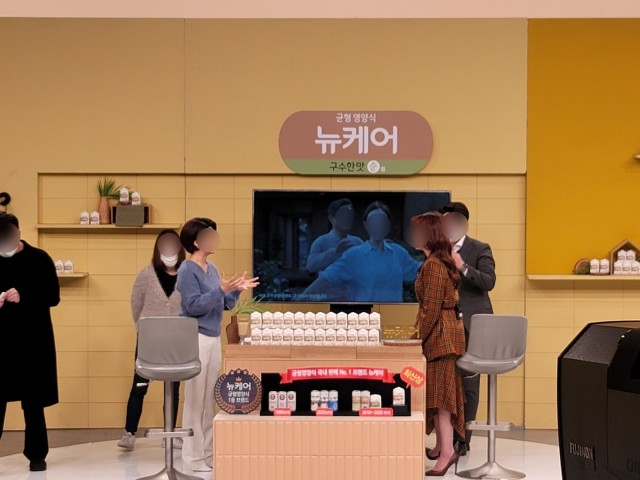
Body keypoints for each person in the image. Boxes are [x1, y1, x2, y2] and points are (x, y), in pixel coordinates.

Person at [177, 217, 259, 473]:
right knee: (195, 400)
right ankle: (192, 458)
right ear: (195, 241)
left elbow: (223, 304)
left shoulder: (211, 268)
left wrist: (236, 290)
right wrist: (221, 291)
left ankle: (209, 454)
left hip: (212, 337)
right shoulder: (187, 270)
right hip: (195, 337)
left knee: (210, 399)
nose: (214, 240)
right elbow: (193, 306)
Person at [0, 212, 60, 472]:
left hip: (33, 342)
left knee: (33, 403)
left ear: (19, 234)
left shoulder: (39, 258)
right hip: (1, 344)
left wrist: (25, 295)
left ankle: (37, 456)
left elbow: (53, 296)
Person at [118, 230, 186, 451]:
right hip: (149, 340)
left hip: (176, 340)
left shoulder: (186, 274)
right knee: (139, 385)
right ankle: (129, 433)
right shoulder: (146, 274)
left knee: (173, 389)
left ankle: (170, 434)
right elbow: (135, 304)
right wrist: (144, 328)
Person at [409, 212, 465, 477]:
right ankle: (442, 446)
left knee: (441, 399)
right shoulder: (436, 261)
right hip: (445, 335)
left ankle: (446, 454)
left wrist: (415, 340)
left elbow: (430, 310)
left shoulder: (433, 265)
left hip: (441, 338)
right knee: (439, 394)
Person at [441, 201, 496, 456]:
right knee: (445, 382)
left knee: (469, 385)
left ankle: (462, 440)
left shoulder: (480, 248)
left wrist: (462, 265)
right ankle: (444, 441)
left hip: (472, 325)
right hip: (445, 325)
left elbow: (488, 281)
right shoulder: (436, 250)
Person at [303, 201, 421, 303]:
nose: (377, 225)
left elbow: (419, 270)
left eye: (382, 221)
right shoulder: (353, 255)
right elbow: (323, 280)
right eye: (373, 221)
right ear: (366, 225)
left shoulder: (398, 253)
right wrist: (300, 302)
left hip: (394, 317)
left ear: (388, 224)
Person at [306, 198, 363, 273]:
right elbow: (310, 267)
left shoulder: (358, 242)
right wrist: (334, 251)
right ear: (331, 218)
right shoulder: (321, 242)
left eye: (350, 214)